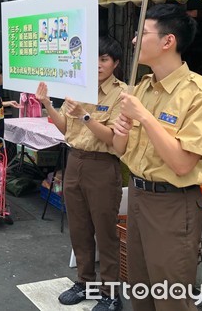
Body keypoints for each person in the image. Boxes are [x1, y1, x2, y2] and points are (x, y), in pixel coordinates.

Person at [112, 4, 202, 311]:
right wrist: (122, 127)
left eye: (142, 33)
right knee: (141, 291)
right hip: (138, 196)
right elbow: (122, 150)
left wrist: (145, 117)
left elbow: (182, 163)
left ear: (167, 42)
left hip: (173, 205)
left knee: (171, 298)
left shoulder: (201, 93)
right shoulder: (142, 88)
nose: (134, 41)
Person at [36, 37, 126, 311]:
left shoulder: (122, 94)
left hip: (103, 165)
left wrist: (86, 116)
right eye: (94, 59)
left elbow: (113, 139)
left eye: (104, 59)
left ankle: (110, 293)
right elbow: (65, 128)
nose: (98, 65)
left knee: (105, 230)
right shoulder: (76, 87)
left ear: (115, 64)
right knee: (79, 228)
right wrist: (48, 105)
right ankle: (84, 282)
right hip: (74, 160)